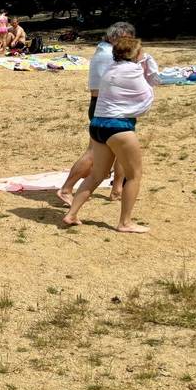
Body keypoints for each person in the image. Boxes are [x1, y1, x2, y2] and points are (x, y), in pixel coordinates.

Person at [63, 35, 158, 233]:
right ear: (135, 54)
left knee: (96, 174)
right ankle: (125, 222)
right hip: (119, 128)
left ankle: (72, 213)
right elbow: (146, 97)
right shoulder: (132, 71)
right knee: (134, 175)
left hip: (98, 126)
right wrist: (148, 72)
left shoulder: (110, 69)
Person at [58, 22, 135, 205]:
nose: (129, 44)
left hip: (112, 106)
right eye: (127, 39)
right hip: (106, 107)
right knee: (94, 153)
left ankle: (117, 189)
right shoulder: (108, 55)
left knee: (122, 150)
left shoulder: (105, 51)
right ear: (117, 37)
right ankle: (67, 188)